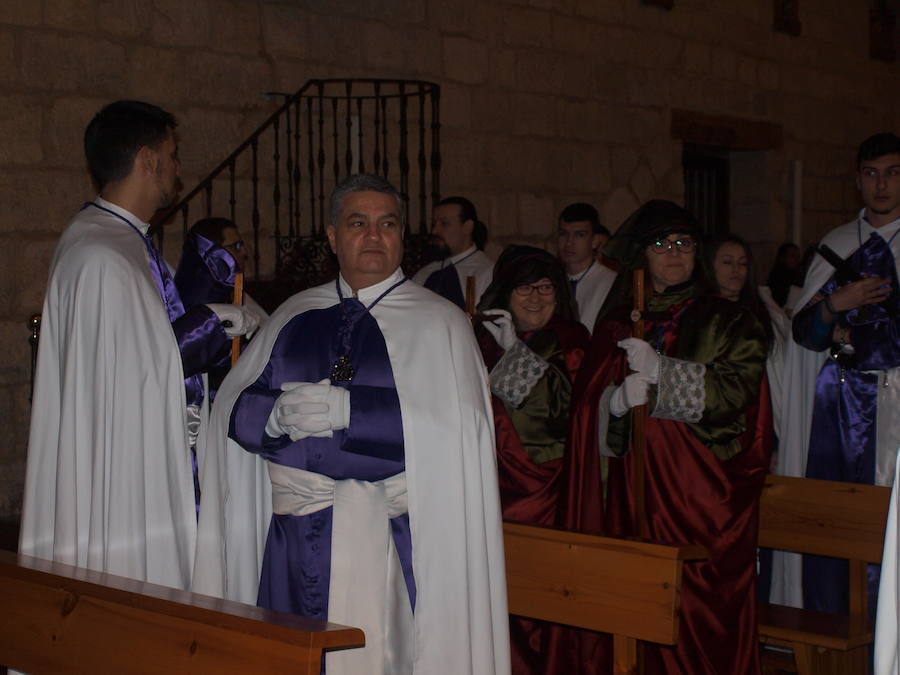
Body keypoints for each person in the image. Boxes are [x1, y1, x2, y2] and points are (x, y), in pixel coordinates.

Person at [193, 174, 510, 675]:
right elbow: (234, 410)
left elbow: (460, 432)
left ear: (402, 236)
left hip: (397, 543)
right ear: (333, 236)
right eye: (357, 223)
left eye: (387, 224)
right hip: (294, 543)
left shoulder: (440, 323)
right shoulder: (295, 314)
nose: (373, 236)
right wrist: (273, 416)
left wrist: (353, 413)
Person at [19, 100, 257, 590]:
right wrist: (211, 325)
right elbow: (136, 377)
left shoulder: (125, 243)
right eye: (172, 155)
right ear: (147, 160)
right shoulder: (100, 255)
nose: (178, 168)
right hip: (123, 482)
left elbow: (144, 352)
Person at [561, 200, 772, 674]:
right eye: (662, 244)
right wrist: (615, 403)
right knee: (636, 605)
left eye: (684, 244)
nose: (674, 254)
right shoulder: (619, 324)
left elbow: (738, 395)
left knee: (698, 612)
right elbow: (585, 412)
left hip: (702, 497)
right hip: (634, 494)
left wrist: (664, 376)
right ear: (643, 255)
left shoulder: (728, 319)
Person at [778, 132, 900, 614]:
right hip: (835, 401)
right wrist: (836, 303)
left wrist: (852, 337)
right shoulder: (836, 244)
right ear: (857, 181)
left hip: (893, 404)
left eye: (892, 172)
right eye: (871, 174)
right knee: (832, 514)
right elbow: (806, 334)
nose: (881, 185)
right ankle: (831, 630)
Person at [475, 245, 589, 675]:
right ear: (506, 293)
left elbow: (560, 410)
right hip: (486, 486)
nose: (537, 298)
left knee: (536, 600)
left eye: (546, 288)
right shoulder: (481, 339)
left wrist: (513, 357)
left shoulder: (572, 340)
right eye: (526, 287)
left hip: (545, 492)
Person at [175, 217, 269, 397]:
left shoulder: (234, 292)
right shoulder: (188, 301)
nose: (245, 253)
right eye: (237, 246)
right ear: (212, 253)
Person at [412, 196, 494, 309]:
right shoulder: (426, 272)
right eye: (434, 224)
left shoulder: (487, 273)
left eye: (444, 224)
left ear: (467, 227)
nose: (435, 231)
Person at [557, 202, 617, 333]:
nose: (569, 242)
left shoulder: (612, 283)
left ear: (595, 241)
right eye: (563, 234)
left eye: (579, 235)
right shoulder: (551, 280)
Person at [766, 242, 803, 308]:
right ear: (782, 258)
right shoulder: (777, 279)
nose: (796, 259)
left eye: (798, 256)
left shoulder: (800, 275)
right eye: (792, 256)